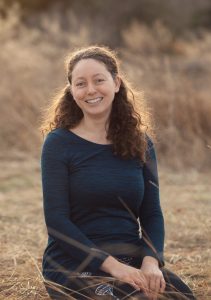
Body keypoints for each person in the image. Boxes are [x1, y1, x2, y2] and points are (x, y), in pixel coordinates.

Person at [40, 45, 196, 300]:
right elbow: (57, 222)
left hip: (130, 254)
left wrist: (150, 261)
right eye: (81, 83)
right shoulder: (58, 144)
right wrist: (114, 267)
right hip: (73, 262)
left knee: (182, 297)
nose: (90, 90)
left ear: (116, 83)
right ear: (72, 91)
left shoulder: (140, 142)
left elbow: (152, 213)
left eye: (99, 80)